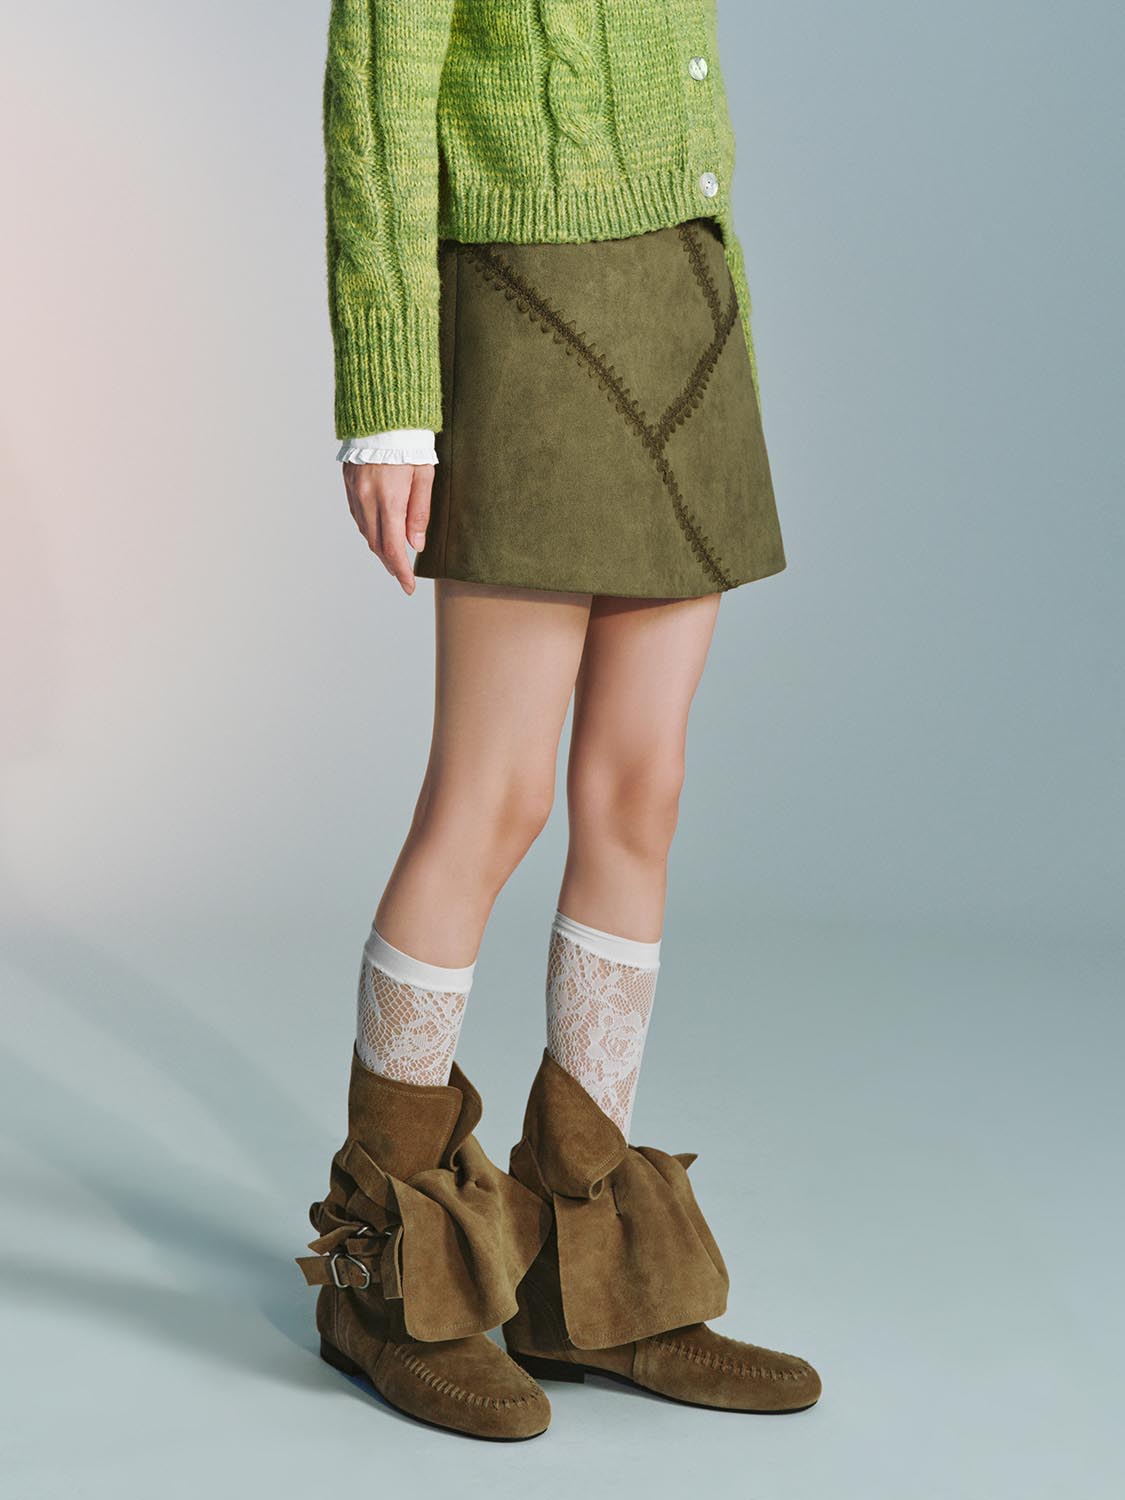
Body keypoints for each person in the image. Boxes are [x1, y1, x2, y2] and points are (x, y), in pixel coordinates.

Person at [295, 0, 821, 1440]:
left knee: (642, 789)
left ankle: (584, 1275)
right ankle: (380, 1274)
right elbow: (377, 96)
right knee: (495, 796)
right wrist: (388, 395)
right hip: (526, 304)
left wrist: (722, 307)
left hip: (685, 304)